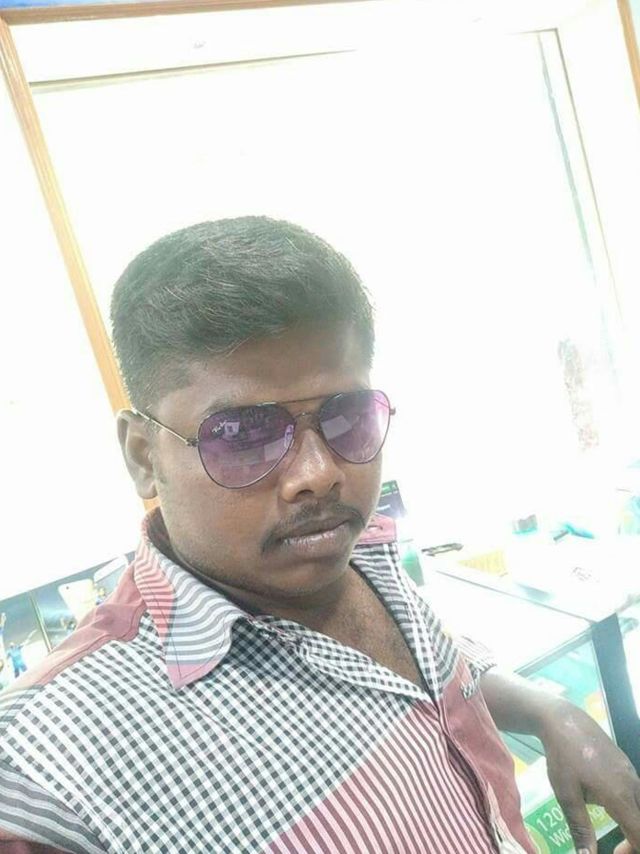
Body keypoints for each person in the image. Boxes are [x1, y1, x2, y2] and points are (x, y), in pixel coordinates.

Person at [0, 217, 638, 854]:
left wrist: (546, 710)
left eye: (345, 415)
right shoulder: (44, 771)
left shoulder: (354, 549)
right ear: (144, 455)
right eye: (242, 435)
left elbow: (429, 673)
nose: (319, 474)